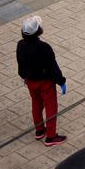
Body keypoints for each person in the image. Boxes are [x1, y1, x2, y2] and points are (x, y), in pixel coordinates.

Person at [16, 15, 67, 146]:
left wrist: (24, 77)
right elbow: (53, 67)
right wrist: (61, 81)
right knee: (51, 107)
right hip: (45, 83)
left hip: (31, 82)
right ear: (38, 31)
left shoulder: (20, 45)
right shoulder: (44, 47)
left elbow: (20, 64)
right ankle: (51, 137)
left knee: (36, 104)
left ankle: (39, 130)